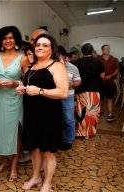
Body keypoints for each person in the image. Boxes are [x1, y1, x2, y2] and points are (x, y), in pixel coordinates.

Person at [16, 34, 68, 191]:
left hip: (49, 115)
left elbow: (63, 92)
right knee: (35, 148)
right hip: (32, 114)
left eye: (45, 45)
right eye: (38, 44)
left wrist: (40, 91)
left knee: (48, 151)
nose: (40, 47)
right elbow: (30, 88)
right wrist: (23, 90)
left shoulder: (57, 66)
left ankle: (47, 183)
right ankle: (36, 177)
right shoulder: (32, 66)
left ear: (52, 49)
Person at [0, 26, 29, 181]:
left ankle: (14, 166)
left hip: (15, 100)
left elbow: (27, 81)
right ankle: (4, 160)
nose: (8, 41)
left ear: (16, 40)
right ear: (1, 41)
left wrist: (14, 83)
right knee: (0, 131)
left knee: (14, 134)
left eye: (11, 37)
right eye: (5, 38)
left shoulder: (23, 58)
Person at [18, 28, 49, 164]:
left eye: (34, 39)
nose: (31, 42)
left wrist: (40, 91)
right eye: (32, 40)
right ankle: (35, 160)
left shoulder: (53, 61)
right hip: (31, 103)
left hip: (46, 105)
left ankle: (44, 163)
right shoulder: (31, 58)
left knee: (44, 138)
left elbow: (61, 90)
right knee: (34, 136)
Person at [75, 43, 105, 138]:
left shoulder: (77, 62)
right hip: (95, 90)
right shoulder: (99, 62)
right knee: (93, 111)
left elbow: (75, 77)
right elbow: (102, 76)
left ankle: (82, 132)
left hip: (82, 90)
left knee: (82, 111)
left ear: (82, 52)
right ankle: (91, 132)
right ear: (92, 52)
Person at [58, 45, 81, 150]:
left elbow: (78, 81)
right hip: (54, 96)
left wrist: (69, 85)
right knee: (56, 118)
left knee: (68, 118)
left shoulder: (73, 67)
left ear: (64, 56)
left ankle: (68, 140)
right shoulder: (52, 66)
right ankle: (57, 139)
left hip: (68, 96)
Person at [98, 44, 119, 122]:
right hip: (100, 83)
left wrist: (110, 76)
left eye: (109, 49)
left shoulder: (114, 59)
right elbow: (96, 68)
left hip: (110, 83)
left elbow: (117, 70)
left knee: (110, 98)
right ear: (102, 50)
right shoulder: (98, 58)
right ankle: (99, 112)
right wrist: (100, 75)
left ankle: (110, 115)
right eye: (106, 49)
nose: (108, 50)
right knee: (101, 99)